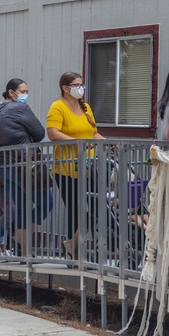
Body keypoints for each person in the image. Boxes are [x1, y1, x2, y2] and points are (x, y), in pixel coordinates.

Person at [46, 72, 105, 260]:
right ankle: (72, 247)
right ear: (65, 88)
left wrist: (107, 142)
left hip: (88, 166)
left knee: (96, 206)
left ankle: (76, 243)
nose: (81, 88)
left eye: (82, 84)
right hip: (66, 168)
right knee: (74, 207)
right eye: (76, 85)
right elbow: (53, 133)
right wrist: (77, 142)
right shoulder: (58, 107)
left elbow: (93, 133)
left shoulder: (85, 107)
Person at [0, 77, 47, 256]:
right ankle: (23, 239)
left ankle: (24, 252)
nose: (25, 95)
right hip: (25, 164)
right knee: (47, 203)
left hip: (5, 165)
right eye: (23, 91)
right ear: (11, 92)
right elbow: (39, 132)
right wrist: (29, 136)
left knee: (22, 206)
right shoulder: (20, 107)